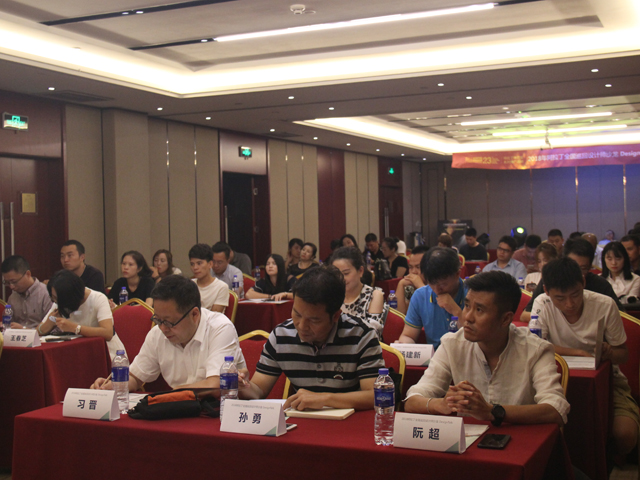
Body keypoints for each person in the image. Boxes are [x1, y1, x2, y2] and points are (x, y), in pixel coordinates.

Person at [404, 271, 568, 427]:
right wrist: (439, 404)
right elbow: (411, 400)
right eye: (467, 306)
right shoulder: (452, 344)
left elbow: (556, 410)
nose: (467, 317)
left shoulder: (536, 350)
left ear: (505, 319)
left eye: (479, 310)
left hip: (522, 441)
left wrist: (493, 412)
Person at [238, 266, 384, 411]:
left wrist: (325, 399)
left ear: (335, 316)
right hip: (301, 421)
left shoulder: (361, 335)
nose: (301, 326)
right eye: (297, 314)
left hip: (349, 422)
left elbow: (376, 395)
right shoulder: (281, 336)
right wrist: (242, 386)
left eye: (314, 320)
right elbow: (258, 390)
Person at [533, 257, 639, 454]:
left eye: (575, 295)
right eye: (560, 298)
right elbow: (536, 346)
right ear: (546, 290)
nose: (569, 304)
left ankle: (606, 461)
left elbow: (623, 355)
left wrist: (609, 352)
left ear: (583, 282)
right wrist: (579, 353)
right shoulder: (542, 303)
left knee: (625, 434)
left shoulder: (604, 304)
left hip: (607, 382)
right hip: (552, 380)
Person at [91, 275, 246, 391]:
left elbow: (216, 385)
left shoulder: (220, 328)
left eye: (169, 322)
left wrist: (171, 394)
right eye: (158, 320)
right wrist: (112, 386)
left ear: (194, 314)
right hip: (179, 409)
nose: (163, 329)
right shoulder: (157, 334)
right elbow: (135, 378)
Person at [521, 238, 623, 323]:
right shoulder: (551, 280)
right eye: (572, 266)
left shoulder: (600, 285)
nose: (575, 273)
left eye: (583, 268)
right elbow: (525, 315)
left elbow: (621, 317)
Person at [39, 270, 126, 360]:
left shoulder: (98, 298)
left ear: (69, 295)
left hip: (105, 352)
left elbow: (108, 333)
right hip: (77, 352)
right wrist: (49, 323)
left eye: (56, 298)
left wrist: (75, 328)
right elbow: (38, 331)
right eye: (53, 297)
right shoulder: (59, 301)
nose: (55, 301)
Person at [398, 247, 466, 348]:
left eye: (443, 284)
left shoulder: (473, 294)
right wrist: (404, 344)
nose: (436, 290)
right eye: (431, 283)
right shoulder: (420, 296)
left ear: (457, 274)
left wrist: (456, 311)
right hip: (435, 355)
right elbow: (408, 335)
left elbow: (482, 338)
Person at [330, 246, 386, 338]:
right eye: (336, 274)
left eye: (346, 273)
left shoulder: (374, 295)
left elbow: (372, 334)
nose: (341, 278)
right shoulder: (331, 295)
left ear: (360, 271)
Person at [1, 255, 52, 329]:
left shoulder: (46, 294)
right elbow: (9, 324)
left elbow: (54, 328)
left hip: (40, 335)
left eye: (14, 281)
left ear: (28, 274)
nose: (11, 287)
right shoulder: (13, 297)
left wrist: (24, 329)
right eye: (7, 283)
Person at [189, 244, 228, 312]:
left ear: (210, 264)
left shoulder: (221, 287)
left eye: (199, 263)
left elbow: (214, 315)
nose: (195, 268)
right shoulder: (189, 285)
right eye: (192, 264)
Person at [396, 245, 429, 315]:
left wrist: (420, 286)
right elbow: (399, 315)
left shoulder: (437, 286)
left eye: (418, 267)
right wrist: (400, 284)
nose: (413, 272)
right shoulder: (409, 287)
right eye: (410, 267)